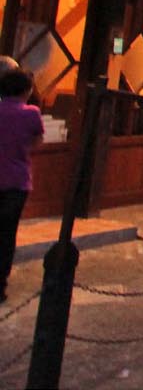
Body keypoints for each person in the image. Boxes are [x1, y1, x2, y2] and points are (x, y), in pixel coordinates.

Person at [0, 69, 42, 302]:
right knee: (6, 234)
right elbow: (36, 141)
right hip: (17, 181)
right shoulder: (31, 114)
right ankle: (0, 284)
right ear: (26, 90)